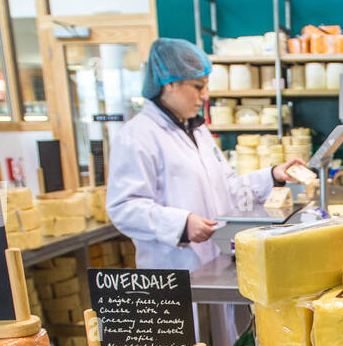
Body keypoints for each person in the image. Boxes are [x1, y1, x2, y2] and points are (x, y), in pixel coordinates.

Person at [107, 37, 308, 271]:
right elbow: (124, 207)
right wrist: (181, 224)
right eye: (198, 86)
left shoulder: (197, 130)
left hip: (216, 261)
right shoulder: (138, 135)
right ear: (169, 83)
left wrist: (273, 175)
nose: (205, 96)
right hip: (176, 268)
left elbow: (228, 187)